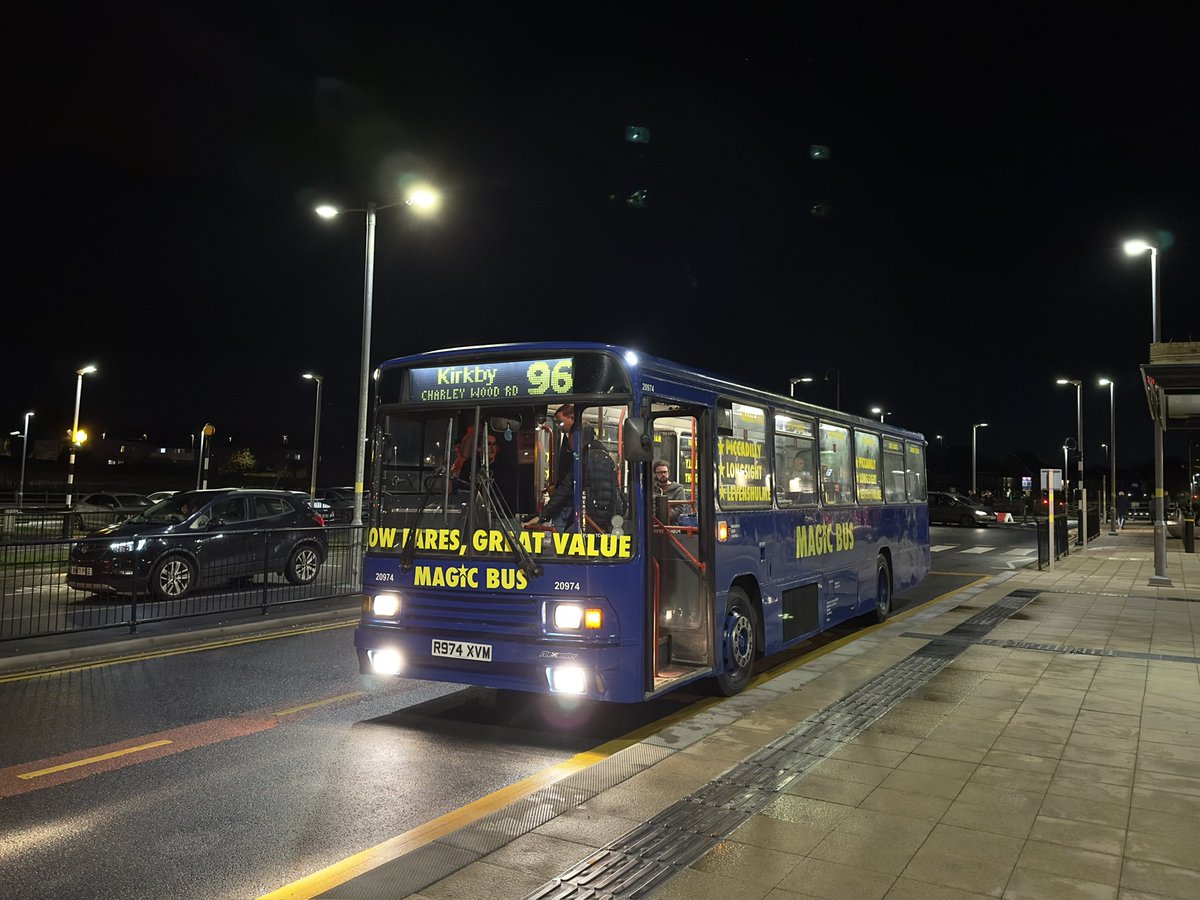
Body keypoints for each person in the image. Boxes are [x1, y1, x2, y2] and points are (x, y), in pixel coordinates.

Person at [652, 458, 688, 523]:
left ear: (668, 472)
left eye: (665, 472)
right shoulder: (651, 488)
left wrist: (663, 516)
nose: (663, 475)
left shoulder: (678, 489)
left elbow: (679, 508)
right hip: (652, 524)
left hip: (672, 524)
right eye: (660, 472)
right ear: (655, 474)